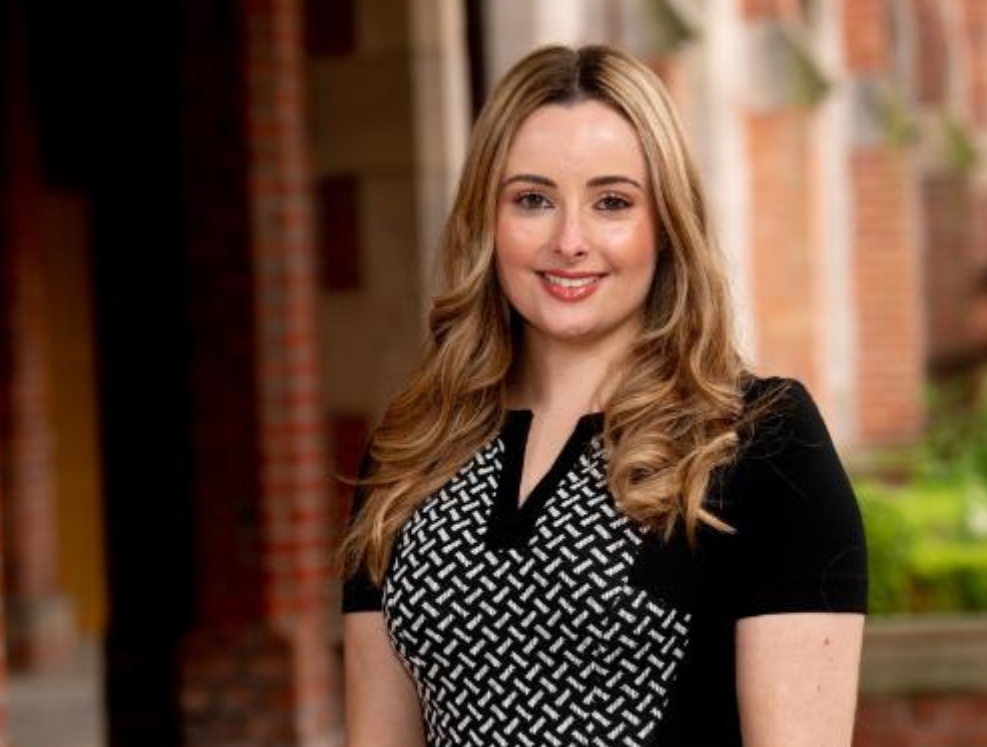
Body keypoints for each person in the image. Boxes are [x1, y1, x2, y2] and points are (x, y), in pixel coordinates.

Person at [339, 44, 867, 747]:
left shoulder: (759, 440)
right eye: (532, 199)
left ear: (666, 225)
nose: (570, 240)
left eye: (612, 202)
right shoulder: (412, 448)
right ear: (486, 222)